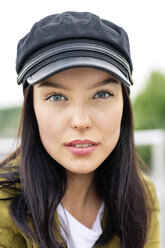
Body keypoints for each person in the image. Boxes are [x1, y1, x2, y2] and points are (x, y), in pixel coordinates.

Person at [0, 11, 160, 248]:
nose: (80, 120)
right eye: (56, 96)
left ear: (124, 104)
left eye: (102, 94)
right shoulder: (4, 212)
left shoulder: (141, 196)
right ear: (31, 107)